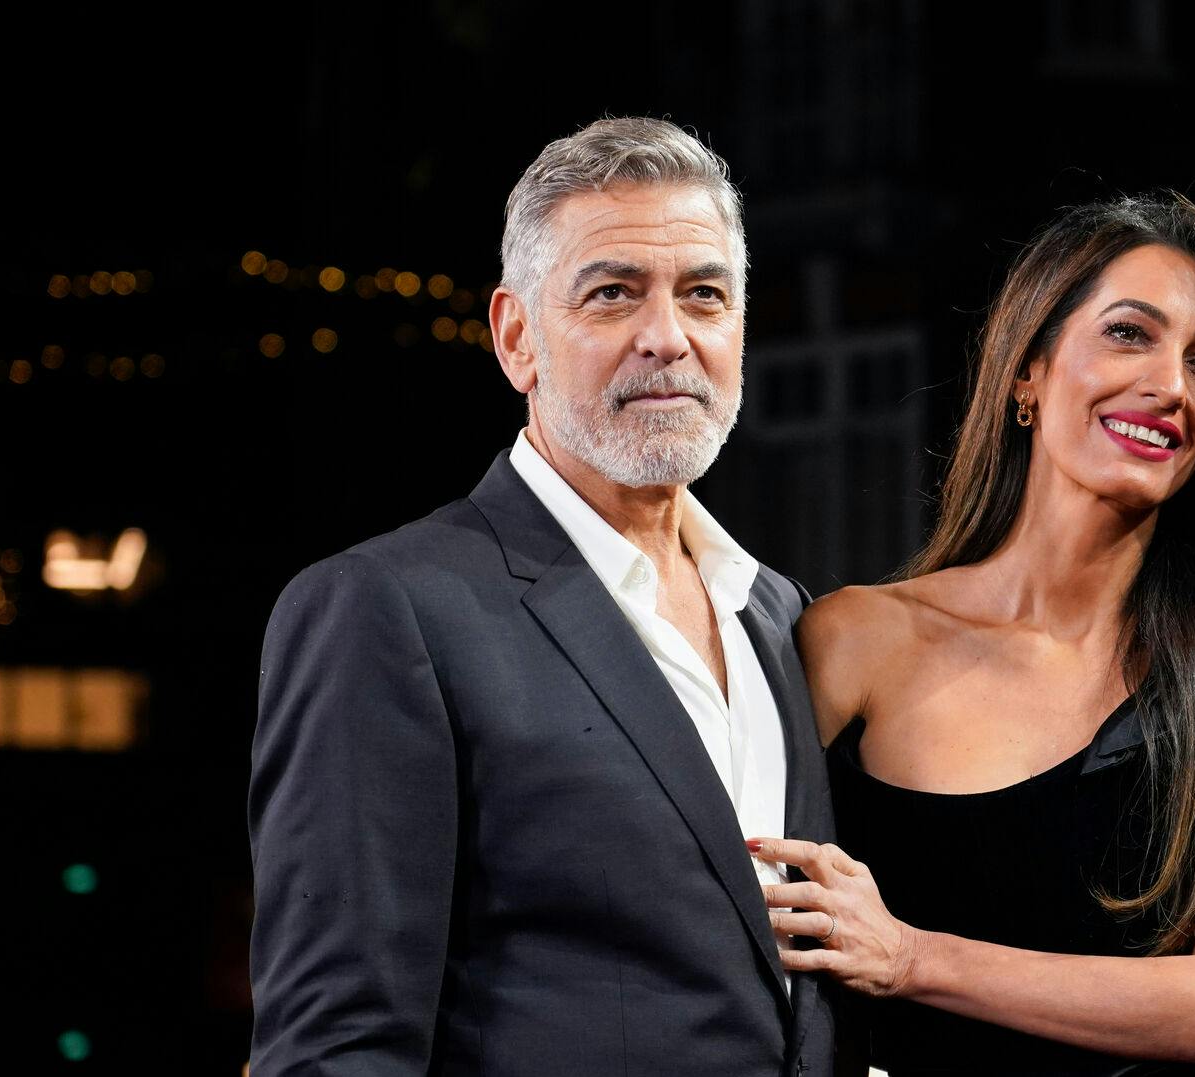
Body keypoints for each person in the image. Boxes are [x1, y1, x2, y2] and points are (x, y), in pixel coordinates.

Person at [249, 117, 848, 1076]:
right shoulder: (382, 609)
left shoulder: (778, 615)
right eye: (613, 294)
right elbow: (338, 1045)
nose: (668, 338)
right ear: (516, 338)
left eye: (705, 295)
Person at [746, 194, 1195, 1075]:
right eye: (1131, 333)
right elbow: (737, 923)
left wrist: (910, 957)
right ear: (1028, 373)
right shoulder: (854, 639)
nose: (1171, 387)